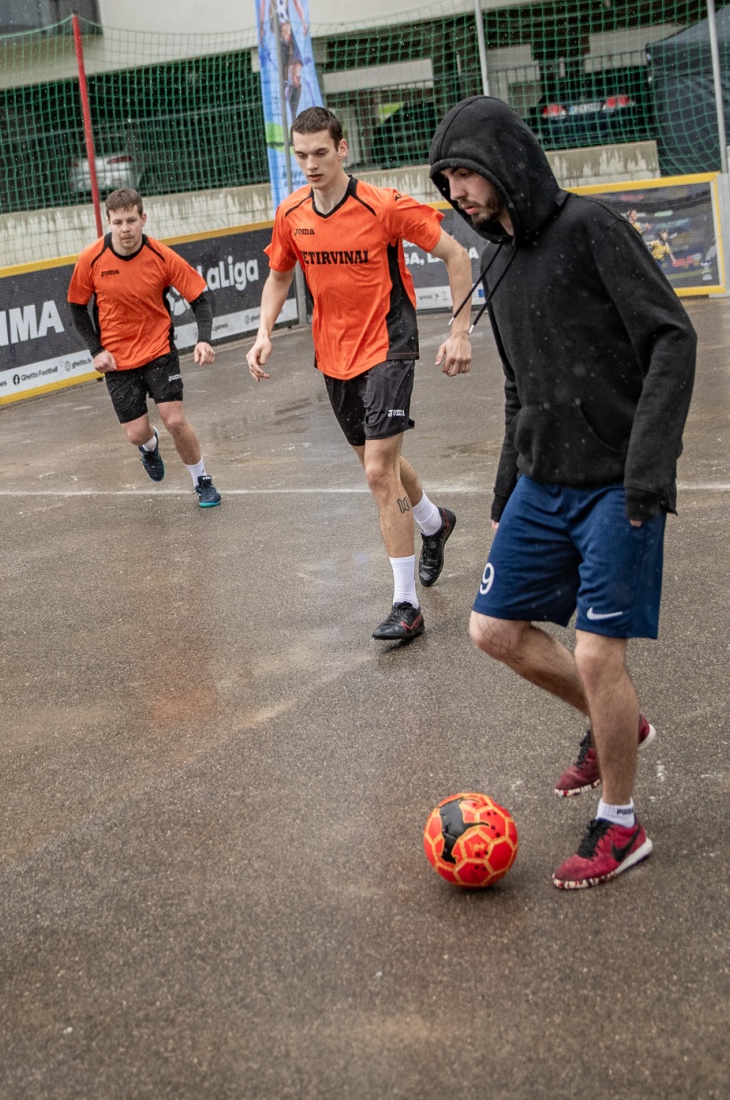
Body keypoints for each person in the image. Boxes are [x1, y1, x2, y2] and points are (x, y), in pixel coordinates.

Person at [431, 97, 696, 892]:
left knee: (596, 650)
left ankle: (621, 823)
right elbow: (520, 386)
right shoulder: (496, 258)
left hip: (618, 483)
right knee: (492, 631)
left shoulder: (592, 230)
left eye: (466, 174)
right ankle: (614, 724)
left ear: (507, 163)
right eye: (447, 180)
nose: (457, 193)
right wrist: (504, 489)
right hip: (542, 482)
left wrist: (649, 468)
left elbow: (672, 338)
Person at [246, 106, 475, 643]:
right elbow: (279, 275)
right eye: (301, 155)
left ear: (342, 149)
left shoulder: (383, 206)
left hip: (389, 343)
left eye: (320, 153)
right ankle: (434, 522)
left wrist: (461, 330)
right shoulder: (291, 212)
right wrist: (263, 332)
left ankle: (406, 605)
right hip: (334, 353)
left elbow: (456, 254)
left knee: (377, 470)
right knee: (380, 462)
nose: (310, 164)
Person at [66, 187, 223, 508]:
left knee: (175, 421)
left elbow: (199, 298)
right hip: (117, 361)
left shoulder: (161, 256)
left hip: (159, 352)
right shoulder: (91, 258)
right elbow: (76, 308)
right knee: (136, 434)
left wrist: (204, 338)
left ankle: (202, 480)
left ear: (143, 219)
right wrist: (96, 350)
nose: (125, 229)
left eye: (131, 221)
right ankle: (149, 448)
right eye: (118, 222)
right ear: (108, 222)